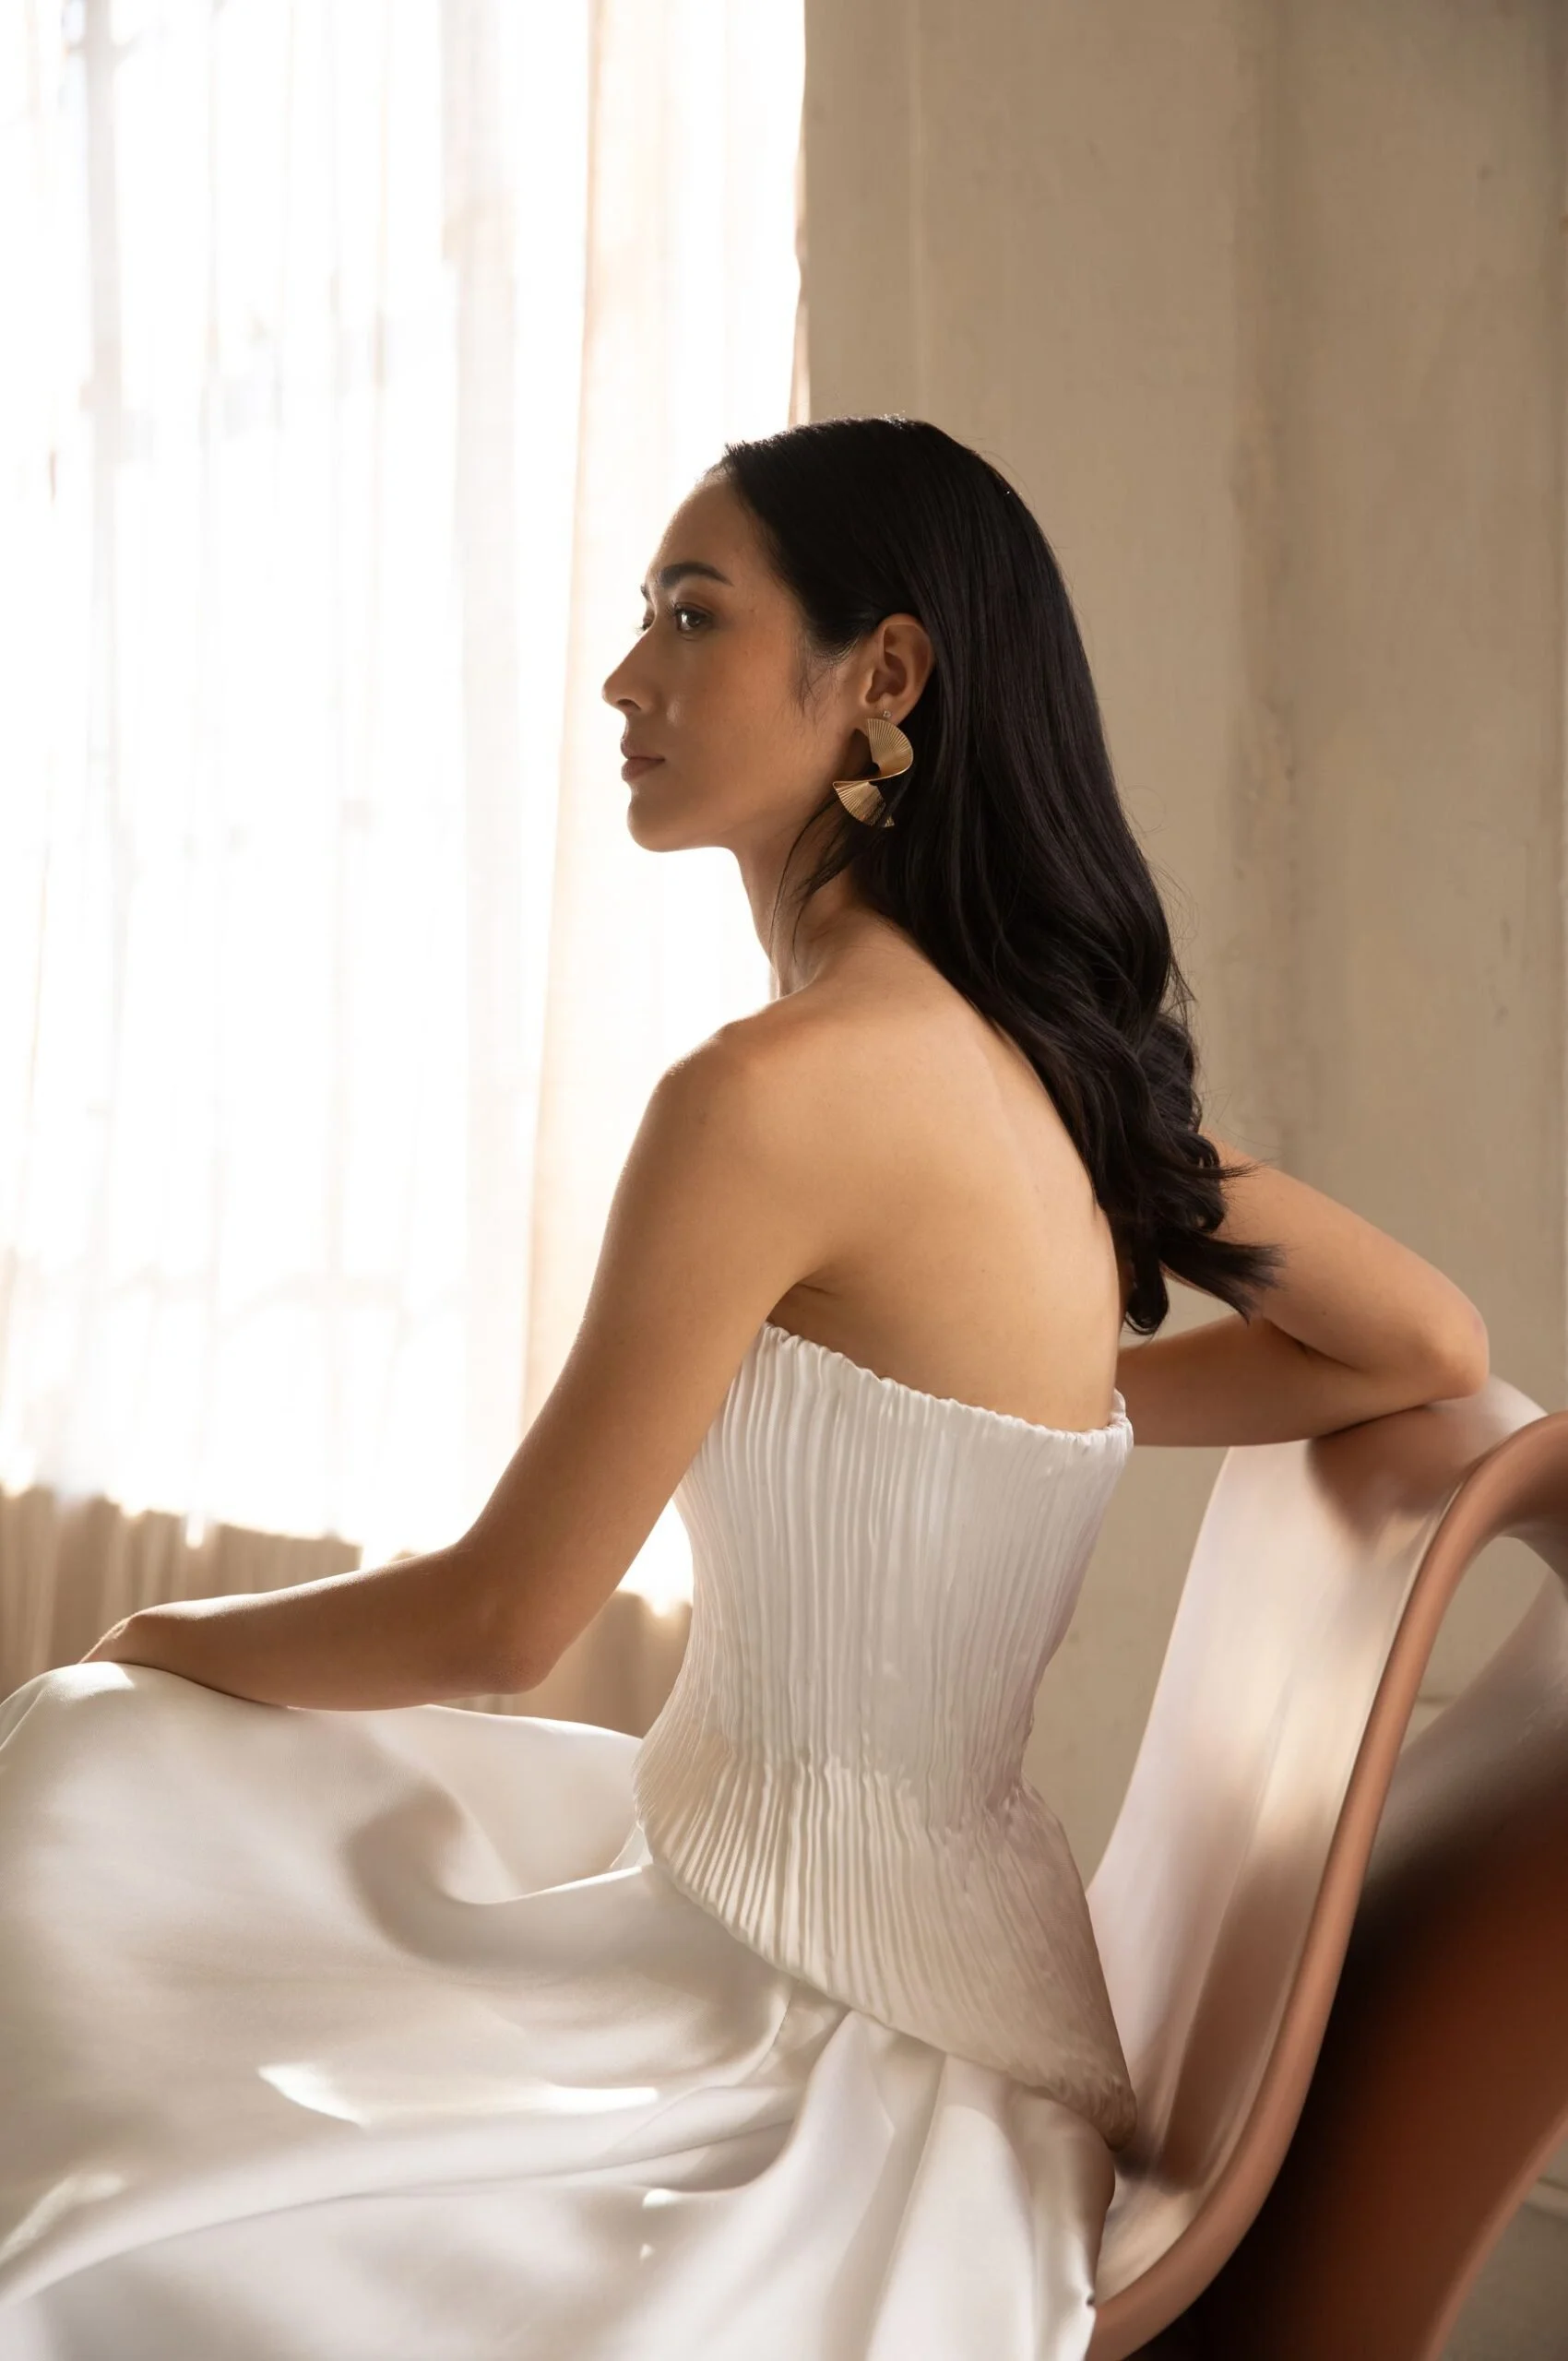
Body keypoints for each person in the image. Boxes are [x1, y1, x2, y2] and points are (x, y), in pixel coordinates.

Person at [0, 415, 1489, 2360]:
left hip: (803, 2017)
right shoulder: (1050, 1079)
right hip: (950, 1986)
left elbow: (501, 1615)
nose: (629, 675)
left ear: (883, 677)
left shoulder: (766, 1100)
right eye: (639, 616)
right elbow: (1427, 1343)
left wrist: (150, 1636)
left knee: (91, 1757)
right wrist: (1063, 1416)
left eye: (690, 614)